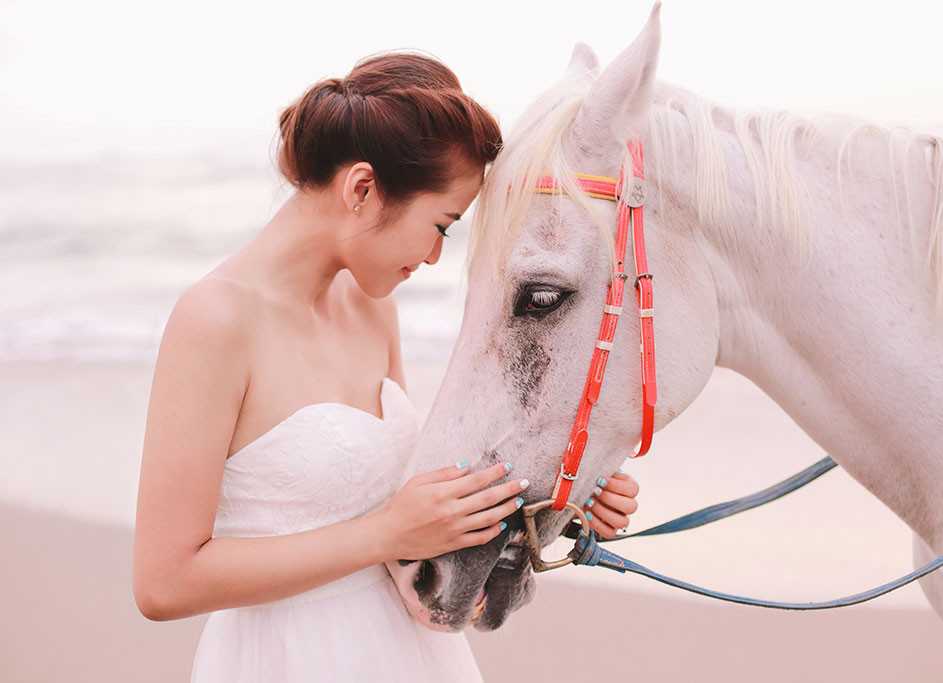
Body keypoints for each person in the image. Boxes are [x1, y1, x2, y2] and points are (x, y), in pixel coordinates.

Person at [131, 52, 641, 682]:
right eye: (441, 226)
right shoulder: (214, 321)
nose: (432, 256)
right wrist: (386, 534)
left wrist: (560, 497)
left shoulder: (372, 309)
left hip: (412, 655)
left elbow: (412, 540)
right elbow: (163, 583)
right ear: (363, 189)